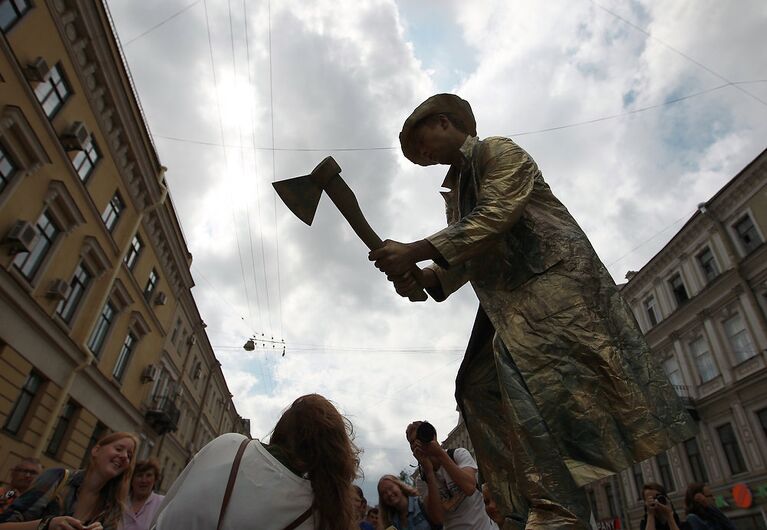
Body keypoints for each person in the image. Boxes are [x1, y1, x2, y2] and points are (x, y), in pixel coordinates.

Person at [369, 93, 697, 529]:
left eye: (421, 145)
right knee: (476, 386)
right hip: (511, 303)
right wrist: (423, 278)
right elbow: (465, 256)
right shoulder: (456, 194)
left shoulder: (496, 151)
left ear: (446, 122)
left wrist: (414, 250)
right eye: (415, 155)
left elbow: (495, 215)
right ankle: (526, 503)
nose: (421, 157)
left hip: (550, 288)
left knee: (516, 378)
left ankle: (555, 509)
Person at [152, 394, 360, 530]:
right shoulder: (321, 513)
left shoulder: (229, 446)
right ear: (335, 451)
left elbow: (162, 514)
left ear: (280, 431)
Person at [0, 431, 138, 530]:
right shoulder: (57, 478)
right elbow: (4, 525)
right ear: (96, 450)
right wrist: (47, 524)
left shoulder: (113, 507)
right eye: (119, 449)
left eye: (129, 455)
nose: (124, 456)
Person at [406, 421, 496, 530]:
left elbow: (469, 488)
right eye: (413, 442)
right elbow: (437, 518)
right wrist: (429, 472)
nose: (418, 444)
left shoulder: (458, 454)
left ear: (432, 436)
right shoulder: (422, 479)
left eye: (420, 438)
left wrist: (440, 453)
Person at [122, 459, 164, 530]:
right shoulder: (121, 501)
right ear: (131, 479)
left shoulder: (162, 503)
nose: (144, 480)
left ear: (155, 480)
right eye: (139, 475)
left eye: (149, 475)